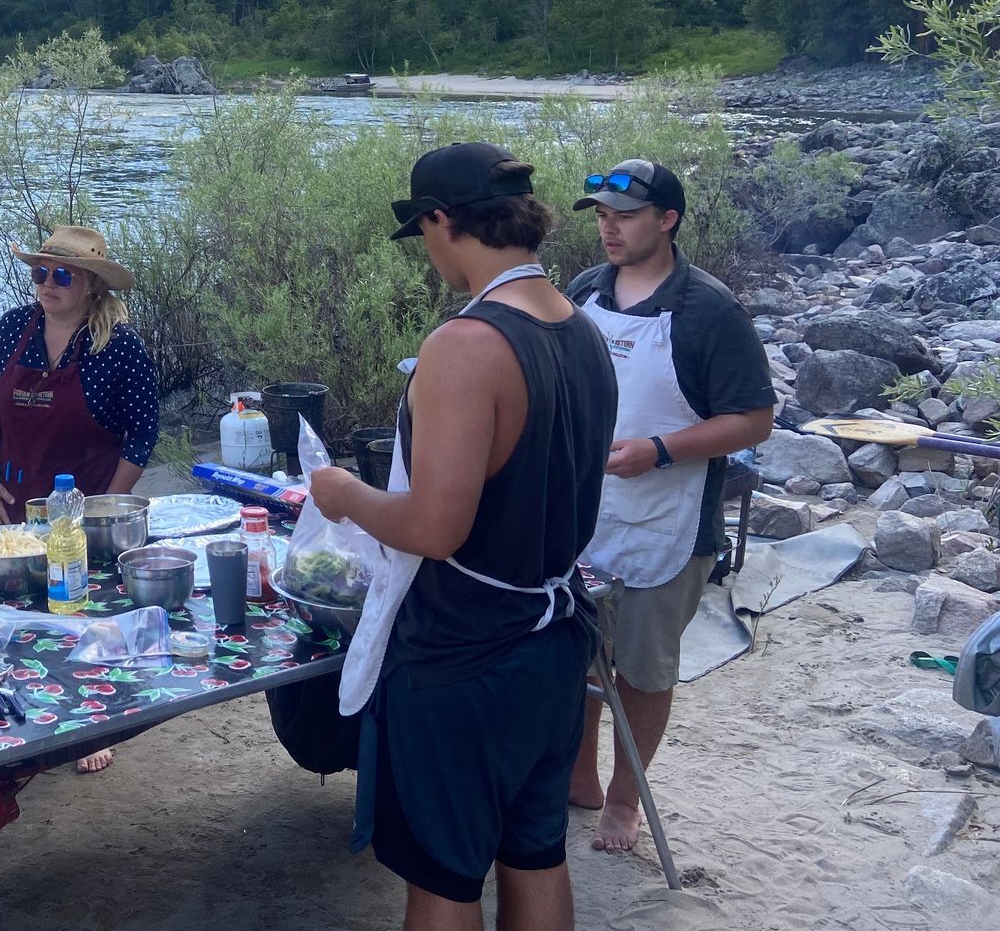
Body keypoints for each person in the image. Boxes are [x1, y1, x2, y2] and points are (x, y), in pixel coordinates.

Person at [310, 143, 616, 931]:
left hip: (463, 655)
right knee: (535, 850)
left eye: (424, 235)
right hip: (555, 640)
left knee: (445, 877)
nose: (431, 256)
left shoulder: (465, 346)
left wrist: (345, 494)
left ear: (443, 220)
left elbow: (435, 529)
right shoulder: (580, 327)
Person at [566, 160, 775, 853]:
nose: (608, 229)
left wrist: (659, 449)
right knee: (572, 658)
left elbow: (752, 421)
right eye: (600, 216)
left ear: (668, 219)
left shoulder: (709, 311)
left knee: (643, 671)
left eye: (623, 216)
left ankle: (624, 803)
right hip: (584, 515)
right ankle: (577, 779)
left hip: (671, 523)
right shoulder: (584, 292)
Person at [0, 224, 159, 772]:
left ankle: (93, 724)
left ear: (92, 287)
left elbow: (143, 435)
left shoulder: (118, 347)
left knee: (83, 615)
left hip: (85, 511)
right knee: (16, 616)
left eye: (61, 276)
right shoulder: (11, 330)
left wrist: (104, 509)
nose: (46, 284)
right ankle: (23, 717)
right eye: (39, 273)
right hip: (12, 503)